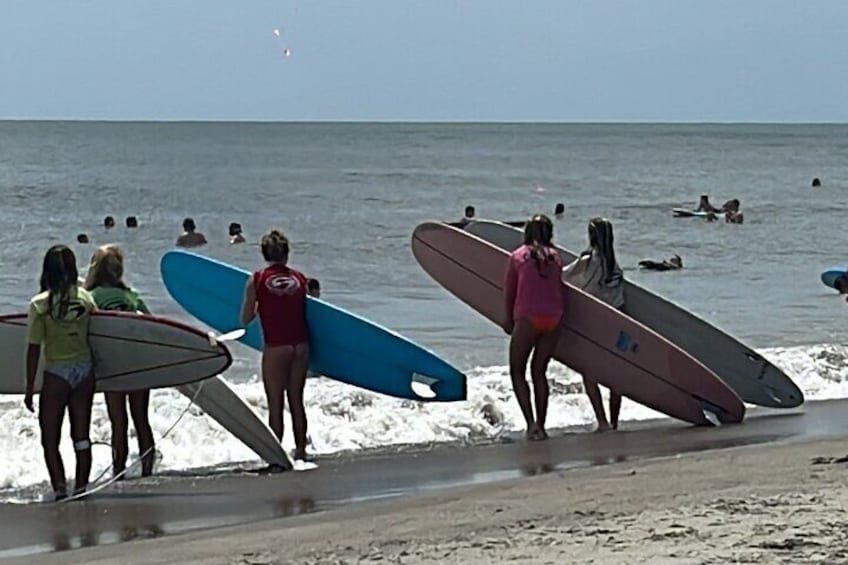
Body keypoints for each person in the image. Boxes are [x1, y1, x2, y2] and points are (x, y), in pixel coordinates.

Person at [25, 245, 97, 500]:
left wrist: (29, 388)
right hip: (85, 371)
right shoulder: (86, 299)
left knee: (50, 439)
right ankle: (81, 488)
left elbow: (33, 349)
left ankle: (59, 490)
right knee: (81, 436)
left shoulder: (39, 304)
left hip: (56, 373)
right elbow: (101, 335)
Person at [84, 245, 155, 478]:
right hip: (139, 364)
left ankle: (118, 472)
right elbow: (153, 324)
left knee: (119, 423)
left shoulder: (91, 297)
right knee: (141, 420)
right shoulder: (132, 295)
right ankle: (147, 471)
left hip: (114, 367)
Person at [240, 230, 310, 461]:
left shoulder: (257, 279)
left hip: (276, 347)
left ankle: (276, 456)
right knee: (296, 401)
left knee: (275, 403)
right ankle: (301, 451)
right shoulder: (300, 279)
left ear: (264, 254)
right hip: (300, 346)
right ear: (287, 254)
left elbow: (245, 318)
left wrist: (261, 307)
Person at [503, 214, 563, 441]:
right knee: (539, 371)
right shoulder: (556, 258)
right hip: (555, 318)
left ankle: (530, 425)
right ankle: (542, 425)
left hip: (528, 318)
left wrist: (507, 319)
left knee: (517, 370)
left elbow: (510, 292)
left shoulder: (518, 256)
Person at [562, 218, 624, 432]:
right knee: (616, 375)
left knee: (589, 372)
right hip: (615, 324)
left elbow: (564, 277)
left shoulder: (589, 260)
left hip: (593, 324)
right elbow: (619, 300)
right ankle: (614, 421)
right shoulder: (615, 266)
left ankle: (603, 422)